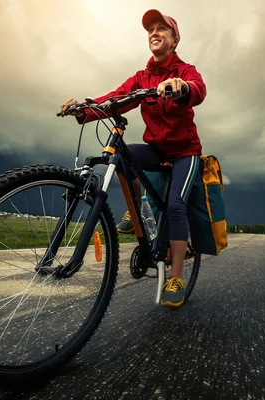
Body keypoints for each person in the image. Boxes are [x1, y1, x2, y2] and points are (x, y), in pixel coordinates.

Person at [60, 9, 206, 308]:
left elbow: (198, 89)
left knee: (176, 205)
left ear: (174, 39)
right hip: (157, 148)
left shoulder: (185, 70)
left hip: (184, 153)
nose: (154, 32)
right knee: (121, 155)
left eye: (162, 28)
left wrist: (182, 88)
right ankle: (138, 213)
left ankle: (175, 276)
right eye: (150, 28)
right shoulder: (142, 78)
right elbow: (114, 97)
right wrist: (83, 109)